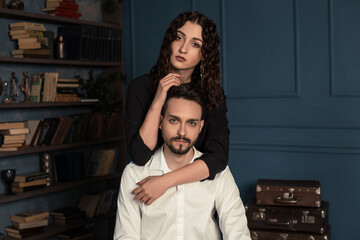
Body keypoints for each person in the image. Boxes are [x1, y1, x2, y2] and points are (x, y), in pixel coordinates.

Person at [115, 84, 250, 240]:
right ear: (160, 122)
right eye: (174, 120)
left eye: (191, 123)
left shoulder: (219, 174)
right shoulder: (134, 174)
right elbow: (126, 236)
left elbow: (238, 233)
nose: (182, 132)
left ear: (200, 127)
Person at [126, 11, 229, 205]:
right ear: (169, 41)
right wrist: (158, 100)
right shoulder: (140, 87)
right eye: (179, 38)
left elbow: (218, 158)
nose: (183, 49)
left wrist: (165, 182)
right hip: (147, 191)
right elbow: (140, 156)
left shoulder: (213, 95)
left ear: (204, 55)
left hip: (196, 191)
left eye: (195, 44)